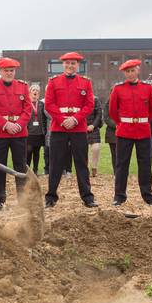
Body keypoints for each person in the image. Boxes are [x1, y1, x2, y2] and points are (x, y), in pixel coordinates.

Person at [43, 52, 97, 208]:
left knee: (81, 163)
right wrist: (62, 120)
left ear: (78, 65)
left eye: (73, 63)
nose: (70, 66)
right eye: (67, 63)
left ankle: (87, 197)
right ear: (63, 64)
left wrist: (74, 119)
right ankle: (51, 197)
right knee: (55, 164)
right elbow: (49, 104)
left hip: (78, 128)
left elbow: (89, 105)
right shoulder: (53, 81)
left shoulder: (86, 83)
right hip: (59, 128)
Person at [0, 57, 31, 210]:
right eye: (6, 70)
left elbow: (27, 109)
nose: (9, 73)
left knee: (20, 166)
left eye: (12, 70)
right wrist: (5, 124)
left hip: (19, 132)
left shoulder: (23, 86)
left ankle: (23, 198)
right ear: (0, 71)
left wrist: (18, 124)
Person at [109, 59, 152, 205]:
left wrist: (143, 121)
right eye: (127, 71)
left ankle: (148, 196)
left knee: (145, 165)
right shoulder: (118, 89)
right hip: (125, 131)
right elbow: (112, 111)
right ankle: (119, 196)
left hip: (142, 131)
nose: (130, 74)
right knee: (122, 165)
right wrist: (121, 123)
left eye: (132, 71)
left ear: (138, 70)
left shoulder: (148, 88)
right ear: (124, 73)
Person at [25, 84, 47, 173]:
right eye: (33, 90)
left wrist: (45, 130)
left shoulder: (42, 104)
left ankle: (35, 170)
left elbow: (45, 118)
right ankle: (27, 170)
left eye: (37, 91)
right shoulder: (26, 103)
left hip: (39, 132)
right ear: (30, 92)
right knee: (29, 150)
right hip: (29, 132)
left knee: (36, 152)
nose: (35, 92)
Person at [86, 95, 103, 178]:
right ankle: (86, 169)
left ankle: (94, 167)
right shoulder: (79, 99)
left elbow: (99, 114)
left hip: (94, 128)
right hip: (82, 128)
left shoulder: (95, 99)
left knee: (96, 148)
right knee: (84, 150)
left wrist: (93, 125)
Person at [104, 98, 117, 173]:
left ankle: (123, 171)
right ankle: (116, 172)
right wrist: (116, 125)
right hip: (111, 133)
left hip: (124, 131)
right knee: (114, 154)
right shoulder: (107, 104)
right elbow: (106, 118)